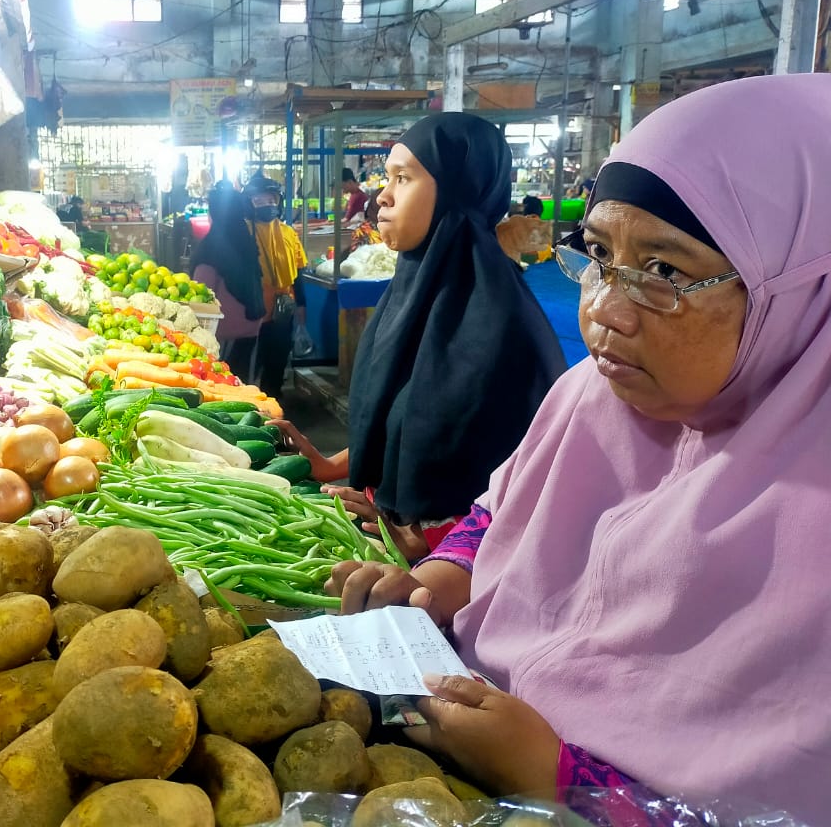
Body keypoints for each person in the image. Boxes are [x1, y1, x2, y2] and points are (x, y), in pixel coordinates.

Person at [326, 75, 831, 822]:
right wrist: (443, 575)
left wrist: (564, 780)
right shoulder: (594, 399)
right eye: (597, 253)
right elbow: (500, 510)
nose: (601, 309)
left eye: (664, 271)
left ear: (799, 287)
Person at [270, 115, 565, 561]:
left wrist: (427, 543)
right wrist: (334, 466)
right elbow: (410, 424)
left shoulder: (498, 327)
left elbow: (524, 485)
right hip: (389, 546)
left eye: (403, 178)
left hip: (446, 583)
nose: (382, 197)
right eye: (387, 178)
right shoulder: (410, 295)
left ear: (455, 191)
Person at [190, 184, 266, 376]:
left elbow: (200, 297)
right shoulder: (246, 240)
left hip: (226, 331)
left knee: (226, 381)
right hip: (253, 325)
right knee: (243, 379)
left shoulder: (211, 248)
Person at [243, 173, 307, 399]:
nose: (267, 205)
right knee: (253, 362)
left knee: (278, 358)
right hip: (253, 312)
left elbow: (298, 272)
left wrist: (301, 306)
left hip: (283, 310)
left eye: (271, 200)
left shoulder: (289, 233)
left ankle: (274, 400)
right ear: (249, 203)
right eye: (259, 201)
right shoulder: (243, 233)